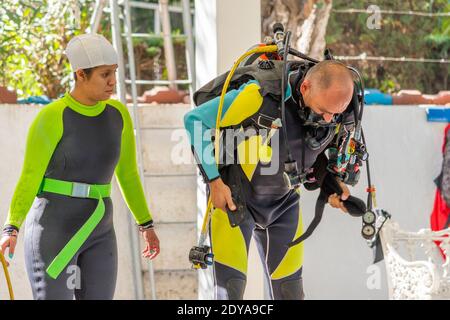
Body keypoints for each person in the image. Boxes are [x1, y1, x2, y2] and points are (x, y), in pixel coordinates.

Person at [0, 33, 160, 300]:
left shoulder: (118, 115)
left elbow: (128, 174)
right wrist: (11, 227)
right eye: (104, 74)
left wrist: (146, 225)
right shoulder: (52, 117)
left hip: (100, 230)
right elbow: (29, 178)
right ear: (80, 75)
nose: (113, 81)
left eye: (115, 72)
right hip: (53, 232)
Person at [184, 59, 356, 300]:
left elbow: (309, 153)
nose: (328, 120)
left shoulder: (336, 113)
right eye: (324, 111)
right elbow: (195, 121)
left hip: (284, 205)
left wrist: (331, 186)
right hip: (235, 200)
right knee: (229, 293)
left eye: (334, 114)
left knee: (291, 294)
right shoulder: (259, 96)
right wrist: (214, 181)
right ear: (305, 87)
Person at [364, 88, 450, 105]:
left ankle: (439, 98)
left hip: (395, 98)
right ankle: (439, 99)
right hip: (395, 100)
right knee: (419, 97)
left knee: (419, 96)